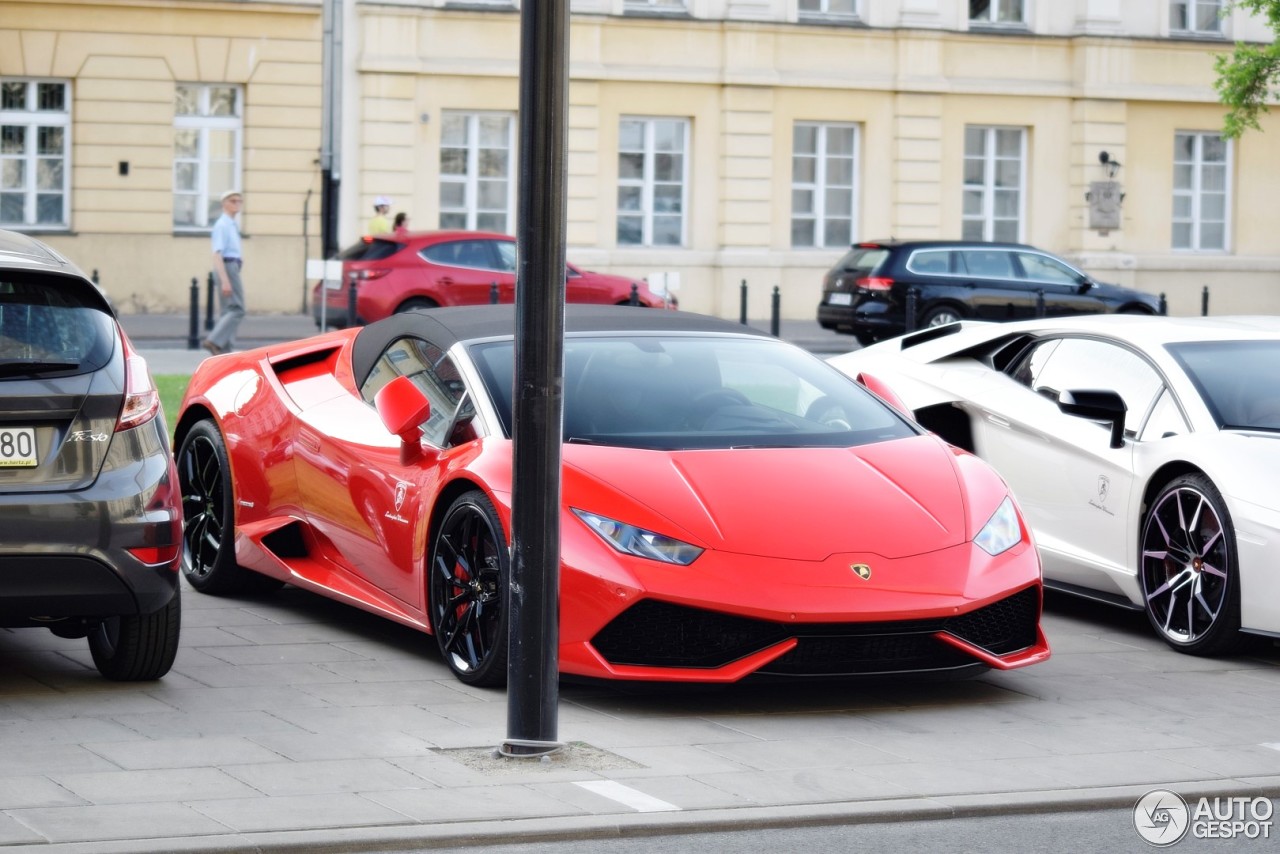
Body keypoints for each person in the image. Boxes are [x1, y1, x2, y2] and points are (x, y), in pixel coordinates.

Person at [204, 189, 245, 356]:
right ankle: (214, 341)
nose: (236, 204)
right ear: (224, 204)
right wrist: (225, 279)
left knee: (228, 310)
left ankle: (224, 350)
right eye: (233, 201)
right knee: (237, 309)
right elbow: (217, 253)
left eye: (239, 201)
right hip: (226, 267)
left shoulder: (231, 224)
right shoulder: (222, 225)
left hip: (232, 266)